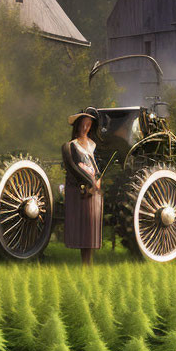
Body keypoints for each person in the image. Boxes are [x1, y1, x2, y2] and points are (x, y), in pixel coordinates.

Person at [61, 107, 102, 265]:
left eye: (88, 125)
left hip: (93, 192)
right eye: (83, 124)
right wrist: (88, 181)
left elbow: (96, 167)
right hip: (79, 191)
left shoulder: (92, 145)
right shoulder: (71, 146)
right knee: (83, 227)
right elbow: (73, 167)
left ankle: (89, 261)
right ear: (77, 125)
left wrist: (97, 180)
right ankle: (84, 262)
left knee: (91, 227)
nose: (85, 128)